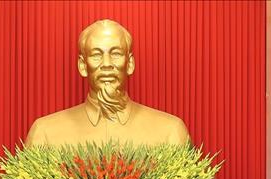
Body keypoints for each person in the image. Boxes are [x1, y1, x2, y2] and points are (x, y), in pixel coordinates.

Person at [25, 19, 190, 147]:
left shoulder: (170, 132)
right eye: (96, 54)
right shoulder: (44, 133)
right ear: (82, 65)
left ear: (130, 63)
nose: (106, 64)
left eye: (116, 53)